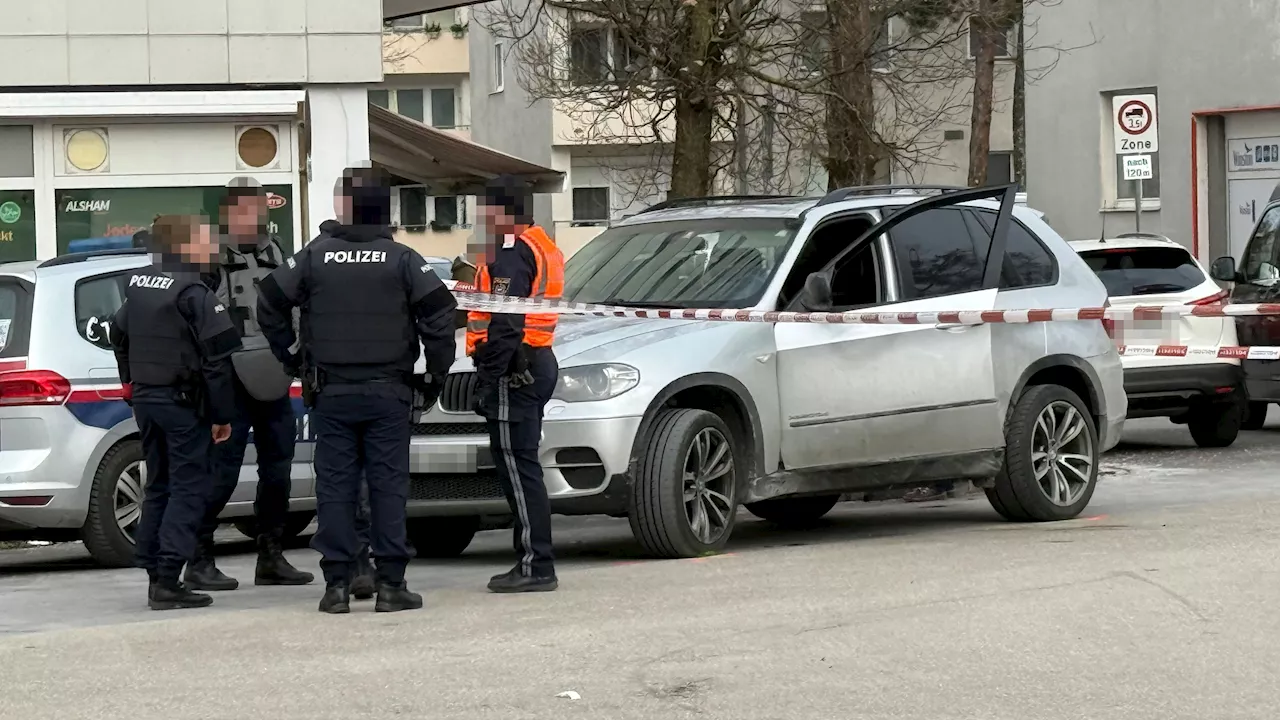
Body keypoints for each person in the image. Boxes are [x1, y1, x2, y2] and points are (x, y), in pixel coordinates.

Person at [256, 165, 457, 614]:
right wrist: (434, 376)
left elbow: (268, 299)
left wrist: (291, 356)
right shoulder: (403, 258)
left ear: (342, 206)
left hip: (332, 393)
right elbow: (441, 315)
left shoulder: (314, 256)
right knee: (386, 487)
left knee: (335, 487)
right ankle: (390, 586)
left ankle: (337, 587)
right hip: (389, 392)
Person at [186, 177, 313, 592]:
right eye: (243, 209)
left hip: (273, 372)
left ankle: (271, 556)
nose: (253, 217)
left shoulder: (279, 254)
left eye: (258, 209)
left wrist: (299, 356)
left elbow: (299, 306)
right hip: (227, 377)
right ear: (227, 212)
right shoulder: (207, 258)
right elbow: (193, 320)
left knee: (278, 471)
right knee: (221, 473)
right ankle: (198, 558)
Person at [109, 215, 242, 610]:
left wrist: (131, 384)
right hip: (184, 403)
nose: (212, 245)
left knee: (160, 485)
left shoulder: (140, 284)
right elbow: (218, 361)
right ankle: (168, 578)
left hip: (149, 401)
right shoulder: (193, 292)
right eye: (204, 239)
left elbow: (118, 335)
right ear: (184, 245)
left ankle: (154, 570)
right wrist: (222, 416)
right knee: (189, 488)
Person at [466, 175, 563, 594]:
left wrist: (487, 379)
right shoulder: (543, 245)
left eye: (485, 210)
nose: (480, 219)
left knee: (518, 469)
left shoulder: (512, 253)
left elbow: (506, 320)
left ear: (502, 212)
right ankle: (534, 559)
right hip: (534, 360)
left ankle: (535, 563)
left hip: (514, 367)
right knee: (522, 465)